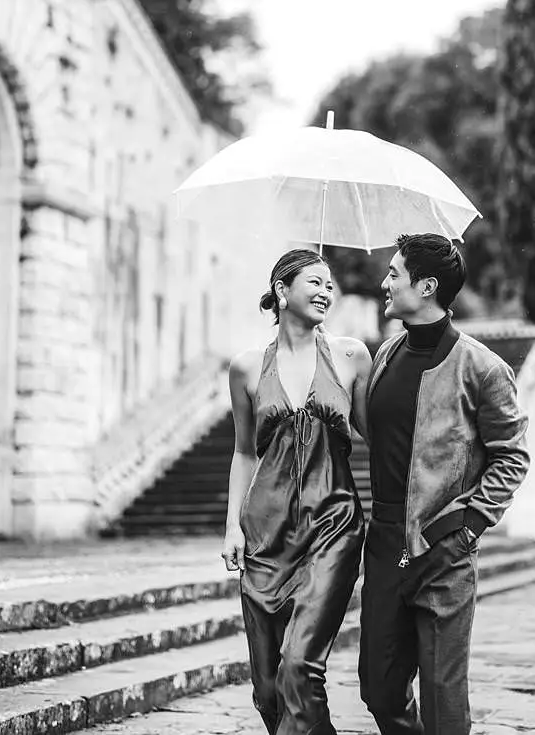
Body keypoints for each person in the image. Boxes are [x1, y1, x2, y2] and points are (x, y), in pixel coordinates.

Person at [356, 233, 529, 735]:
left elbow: (512, 456)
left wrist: (468, 523)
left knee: (442, 697)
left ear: (426, 286)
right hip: (385, 540)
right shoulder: (387, 353)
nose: (383, 283)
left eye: (394, 274)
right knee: (379, 687)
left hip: (443, 546)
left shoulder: (482, 367)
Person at [223, 248, 373, 734]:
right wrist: (232, 528)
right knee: (268, 688)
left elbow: (379, 435)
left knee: (299, 666)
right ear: (282, 292)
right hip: (266, 535)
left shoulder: (351, 356)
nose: (326, 292)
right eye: (315, 282)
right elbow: (245, 452)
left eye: (331, 285)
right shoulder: (247, 368)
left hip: (333, 525)